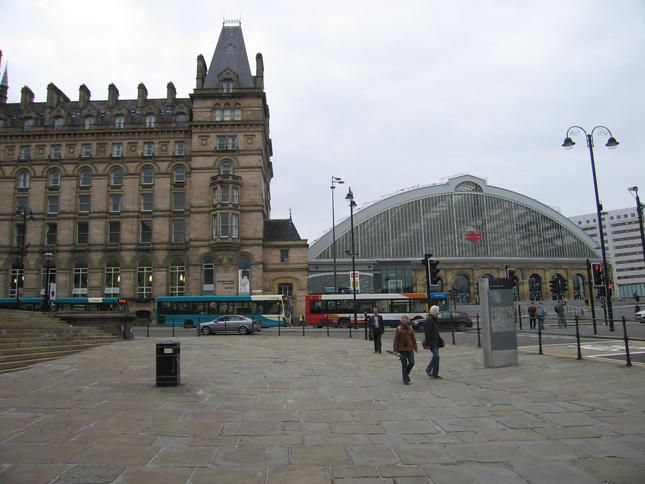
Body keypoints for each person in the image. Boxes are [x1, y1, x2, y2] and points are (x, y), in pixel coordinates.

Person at [392, 314, 418, 385]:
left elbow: (413, 338)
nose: (404, 319)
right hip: (402, 348)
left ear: (408, 320)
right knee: (404, 364)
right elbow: (396, 340)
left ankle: (406, 374)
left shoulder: (410, 328)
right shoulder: (399, 328)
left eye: (405, 318)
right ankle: (405, 379)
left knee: (412, 362)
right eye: (402, 318)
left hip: (410, 348)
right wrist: (395, 350)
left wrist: (415, 348)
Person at [424, 305, 442, 379]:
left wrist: (441, 340)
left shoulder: (433, 320)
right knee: (436, 355)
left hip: (435, 341)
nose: (438, 314)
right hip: (432, 342)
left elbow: (436, 332)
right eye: (437, 312)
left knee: (437, 357)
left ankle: (435, 373)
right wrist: (427, 344)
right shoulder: (429, 320)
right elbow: (427, 333)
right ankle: (428, 368)